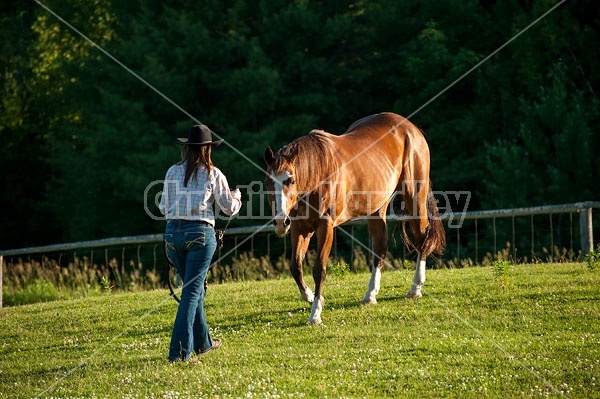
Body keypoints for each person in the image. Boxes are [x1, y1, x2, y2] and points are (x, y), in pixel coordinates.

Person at [159, 124, 242, 362]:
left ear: (187, 147)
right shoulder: (213, 173)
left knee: (193, 292)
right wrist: (237, 196)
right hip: (200, 235)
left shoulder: (171, 172)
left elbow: (163, 208)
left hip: (172, 235)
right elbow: (229, 209)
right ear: (207, 149)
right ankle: (180, 353)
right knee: (192, 293)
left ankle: (203, 343)